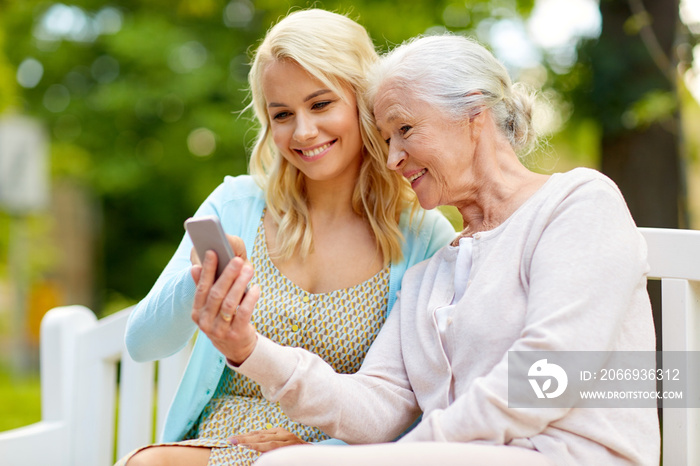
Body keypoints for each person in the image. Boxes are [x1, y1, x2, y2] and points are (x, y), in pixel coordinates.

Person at [194, 34, 661, 466]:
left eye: (405, 129)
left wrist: (408, 452)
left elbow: (547, 373)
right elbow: (376, 407)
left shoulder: (577, 203)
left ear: (473, 116)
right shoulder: (431, 273)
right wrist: (247, 347)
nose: (393, 157)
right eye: (385, 139)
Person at [117, 10, 456, 466]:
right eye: (282, 114)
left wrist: (319, 453)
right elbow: (143, 345)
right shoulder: (235, 205)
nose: (303, 131)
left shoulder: (422, 235)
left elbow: (415, 399)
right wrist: (201, 284)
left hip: (337, 456)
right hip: (219, 444)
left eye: (320, 105)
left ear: (363, 100)